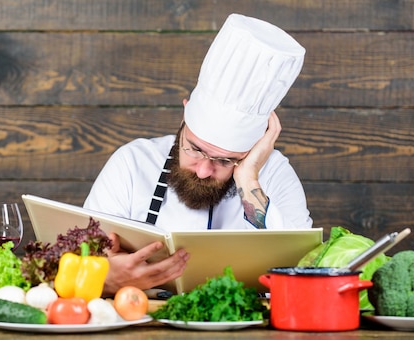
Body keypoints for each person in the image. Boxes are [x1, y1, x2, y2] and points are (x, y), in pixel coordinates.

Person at [83, 13, 313, 295]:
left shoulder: (274, 174)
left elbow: (302, 273)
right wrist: (106, 280)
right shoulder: (132, 163)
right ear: (184, 113)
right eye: (194, 148)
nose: (204, 170)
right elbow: (83, 260)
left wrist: (249, 178)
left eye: (225, 160)